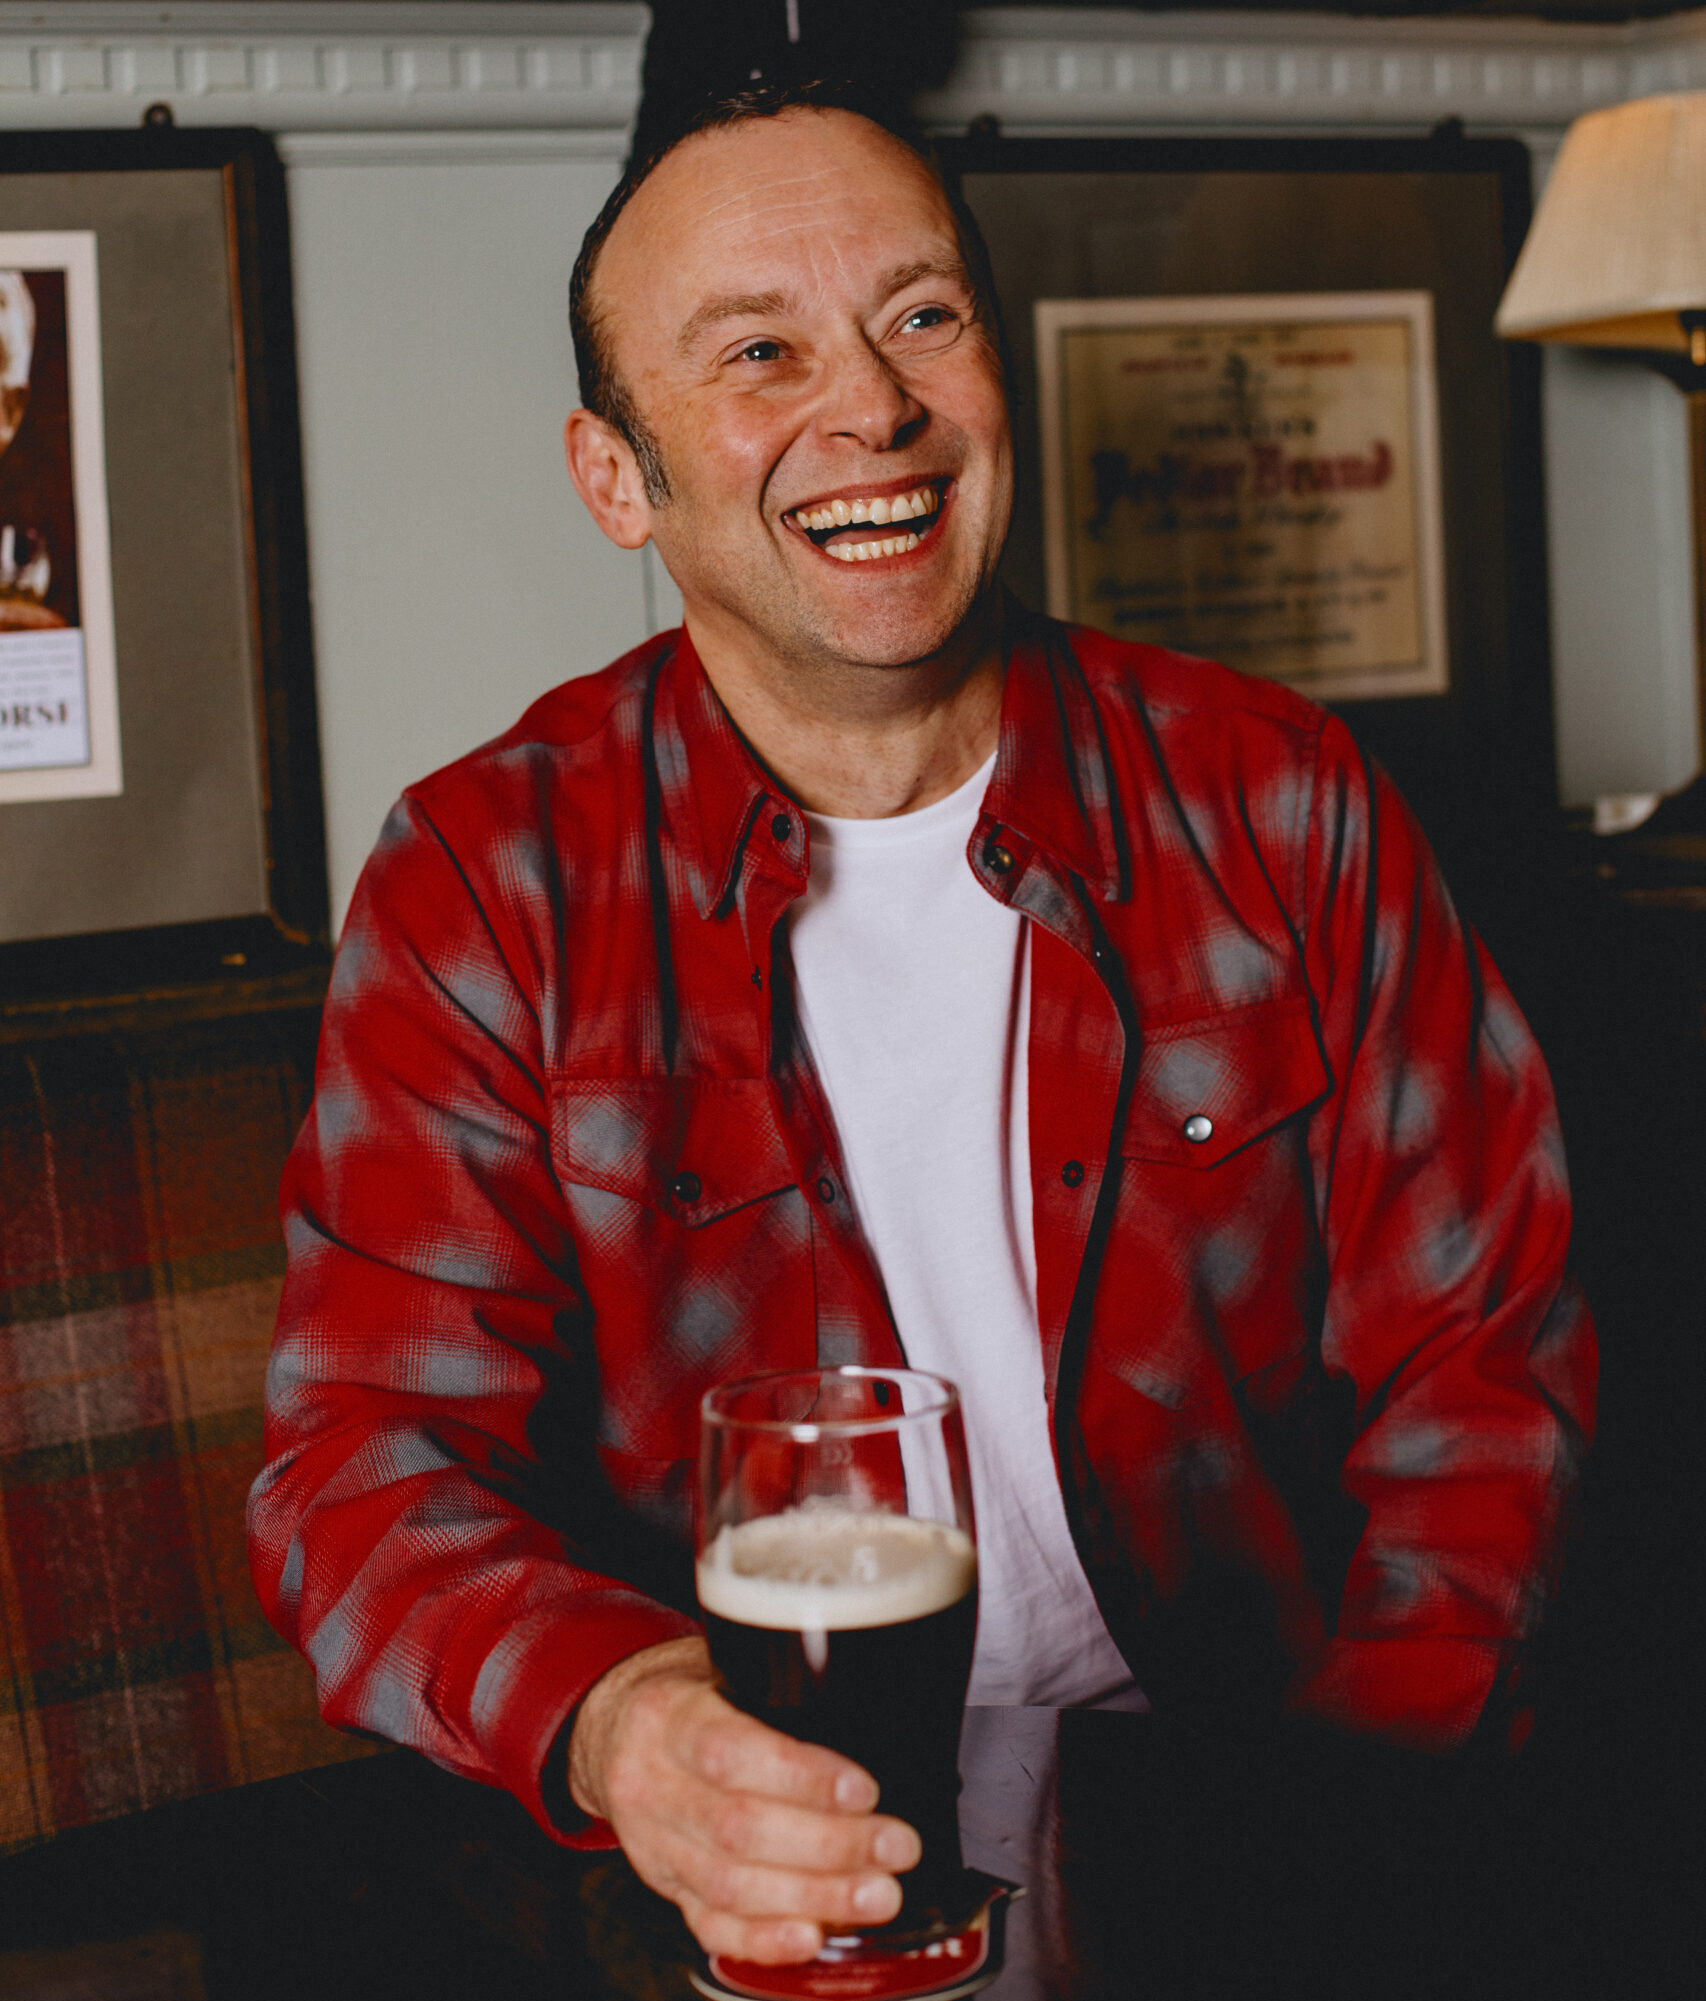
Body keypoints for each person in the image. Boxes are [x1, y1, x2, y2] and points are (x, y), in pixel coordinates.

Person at [249, 83, 1596, 1969]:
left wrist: (1355, 1815)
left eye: (921, 317)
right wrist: (632, 1727)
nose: (868, 406)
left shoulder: (1280, 797)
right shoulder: (489, 873)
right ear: (616, 477)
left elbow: (1486, 1359)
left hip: (1268, 1815)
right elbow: (361, 1467)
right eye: (757, 351)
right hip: (760, 1875)